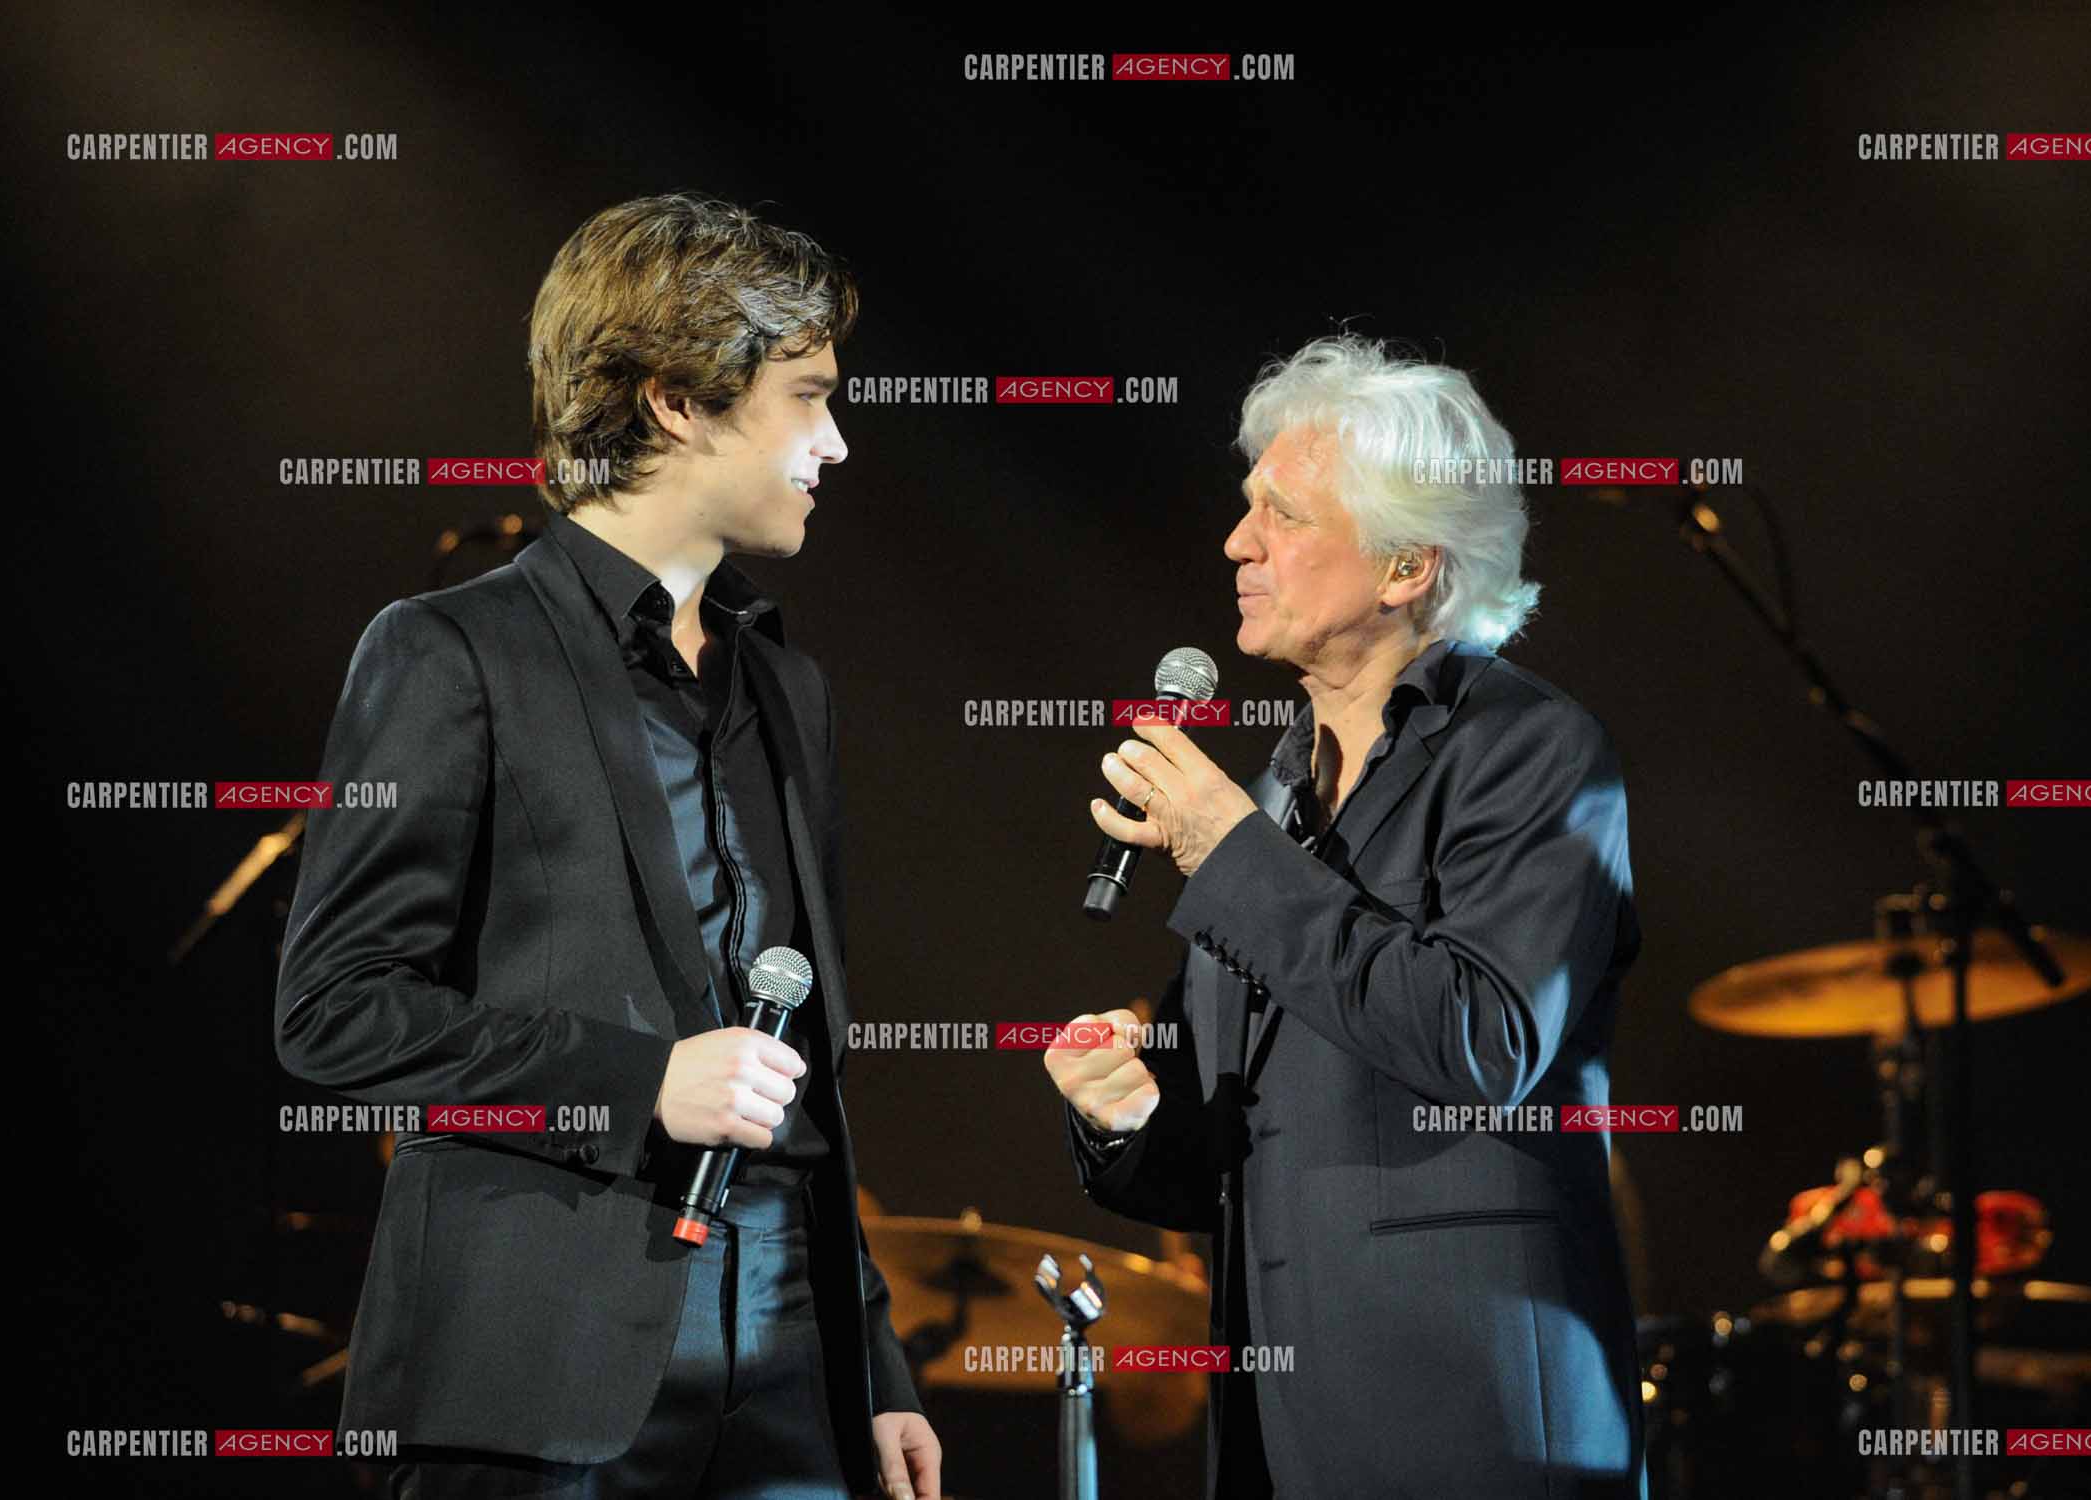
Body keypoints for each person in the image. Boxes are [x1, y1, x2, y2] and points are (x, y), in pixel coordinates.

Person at [275, 194, 940, 1500]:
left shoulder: (785, 688)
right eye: (806, 396)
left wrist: (874, 1364)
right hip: (533, 1372)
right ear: (676, 401)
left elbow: (801, 1073)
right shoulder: (448, 650)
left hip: (795, 1364)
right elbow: (336, 1014)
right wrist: (635, 1085)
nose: (836, 442)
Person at [1044, 335, 1644, 1498]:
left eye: (1282, 515)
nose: (1237, 544)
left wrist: (1226, 851)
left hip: (1470, 1425)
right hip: (1277, 1427)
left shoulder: (1531, 749)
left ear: (1406, 565)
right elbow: (1227, 1155)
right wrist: (1131, 1117)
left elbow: (1483, 1040)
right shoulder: (1275, 787)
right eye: (1243, 507)